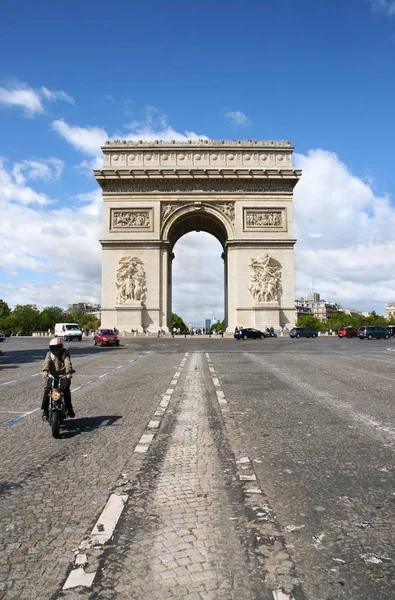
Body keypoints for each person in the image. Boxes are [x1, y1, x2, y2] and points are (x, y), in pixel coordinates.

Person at [42, 337, 75, 420]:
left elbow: (68, 362)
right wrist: (45, 370)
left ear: (61, 347)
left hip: (64, 376)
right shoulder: (50, 354)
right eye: (54, 348)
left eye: (58, 348)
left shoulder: (65, 353)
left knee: (65, 390)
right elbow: (47, 361)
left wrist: (69, 372)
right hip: (52, 376)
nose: (56, 350)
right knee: (47, 390)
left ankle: (69, 408)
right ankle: (45, 411)